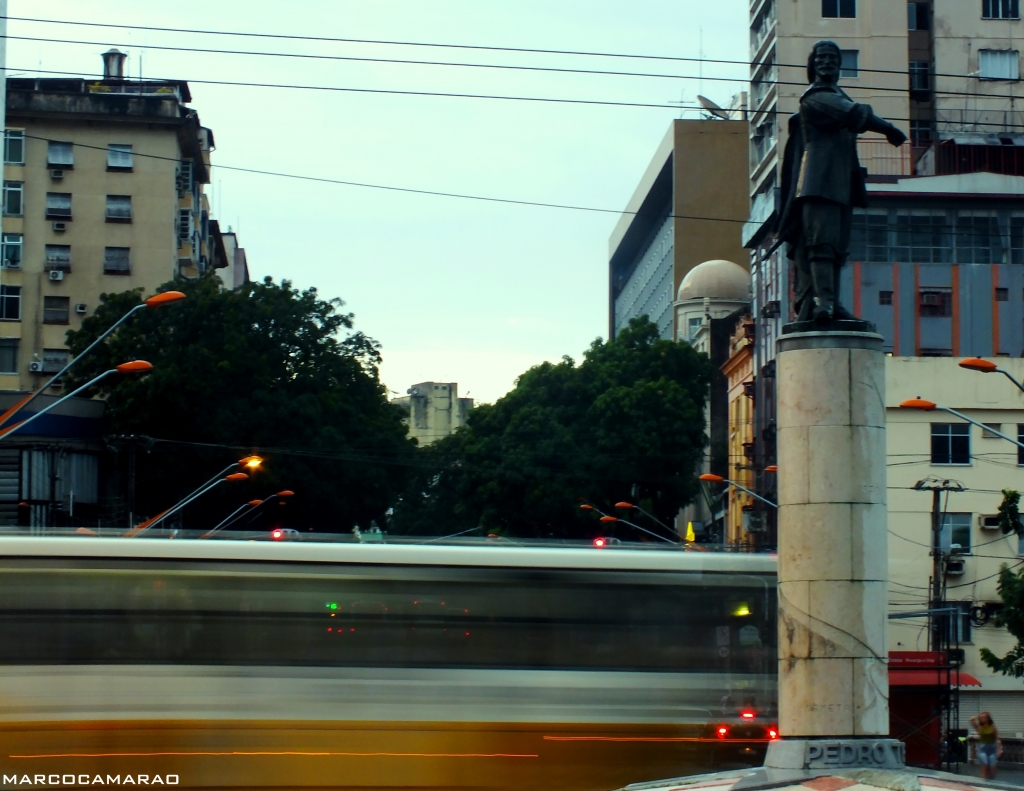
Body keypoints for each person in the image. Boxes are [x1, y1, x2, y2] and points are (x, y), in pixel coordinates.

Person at [776, 40, 907, 324]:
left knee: (836, 248)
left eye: (833, 58)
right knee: (821, 244)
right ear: (812, 65)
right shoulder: (815, 97)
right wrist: (888, 129)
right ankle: (823, 304)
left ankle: (832, 303)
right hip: (818, 183)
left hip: (839, 184)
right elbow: (853, 112)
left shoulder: (837, 94)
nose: (827, 62)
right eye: (821, 58)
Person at [970, 712, 1002, 779]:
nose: (983, 719)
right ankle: (984, 780)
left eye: (984, 717)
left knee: (992, 767)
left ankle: (991, 780)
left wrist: (1000, 749)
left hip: (992, 749)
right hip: (983, 749)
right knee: (985, 765)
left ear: (988, 718)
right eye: (982, 718)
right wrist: (978, 716)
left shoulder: (993, 728)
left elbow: (997, 739)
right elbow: (971, 720)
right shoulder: (980, 727)